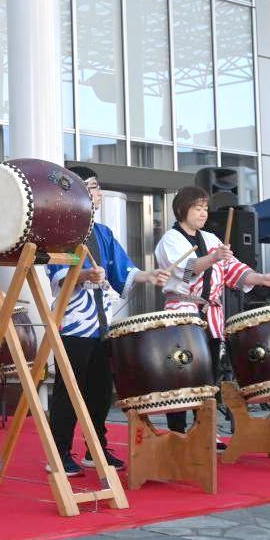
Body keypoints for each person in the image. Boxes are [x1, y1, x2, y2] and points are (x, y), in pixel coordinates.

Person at [45, 166, 170, 476]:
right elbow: (57, 274)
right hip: (73, 322)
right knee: (68, 391)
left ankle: (95, 447)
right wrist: (85, 274)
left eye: (97, 187)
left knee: (100, 390)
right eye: (92, 187)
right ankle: (59, 452)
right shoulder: (62, 231)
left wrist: (148, 275)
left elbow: (123, 271)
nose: (97, 193)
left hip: (102, 324)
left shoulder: (102, 233)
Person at [156, 186, 270, 436]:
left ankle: (204, 430)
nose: (203, 213)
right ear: (182, 209)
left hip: (211, 316)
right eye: (197, 208)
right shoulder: (170, 240)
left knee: (208, 377)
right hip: (183, 313)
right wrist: (214, 258)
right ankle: (178, 432)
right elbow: (185, 270)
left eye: (205, 208)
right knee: (181, 376)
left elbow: (234, 270)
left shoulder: (211, 239)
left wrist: (262, 279)